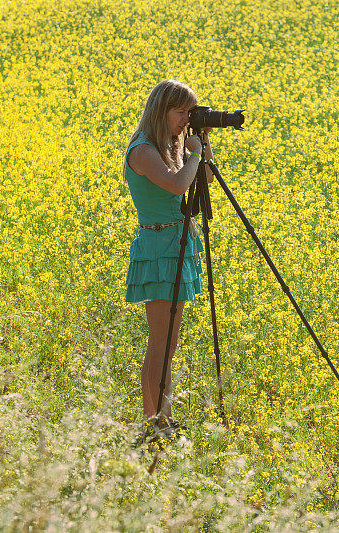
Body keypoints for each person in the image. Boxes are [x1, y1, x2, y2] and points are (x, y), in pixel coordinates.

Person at [123, 80, 215, 434]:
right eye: (181, 112)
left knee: (169, 342)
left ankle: (163, 416)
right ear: (162, 111)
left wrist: (204, 149)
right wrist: (192, 155)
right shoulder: (143, 150)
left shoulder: (171, 147)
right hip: (159, 249)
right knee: (160, 342)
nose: (186, 119)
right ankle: (154, 422)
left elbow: (200, 181)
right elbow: (178, 186)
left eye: (189, 112)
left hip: (179, 243)